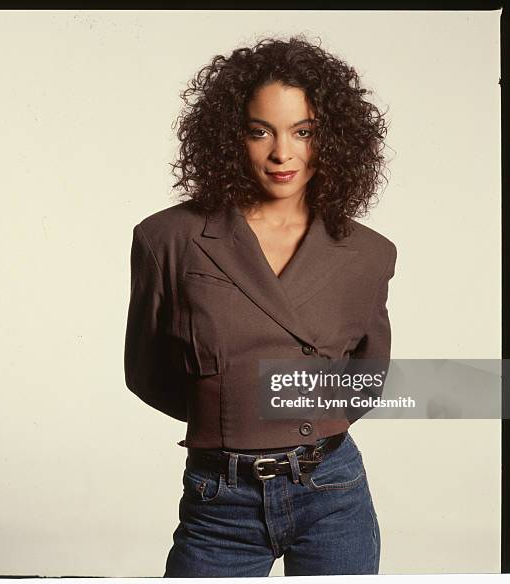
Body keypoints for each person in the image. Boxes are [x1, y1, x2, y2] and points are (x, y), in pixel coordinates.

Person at [124, 35, 397, 577]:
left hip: (333, 492)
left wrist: (303, 416)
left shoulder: (369, 252)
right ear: (231, 138)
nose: (282, 153)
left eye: (304, 131)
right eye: (260, 131)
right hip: (218, 497)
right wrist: (231, 415)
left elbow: (370, 375)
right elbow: (146, 371)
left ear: (334, 139)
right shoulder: (168, 239)